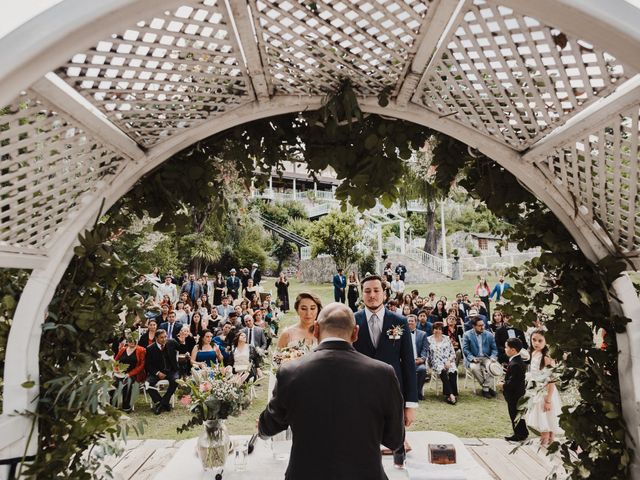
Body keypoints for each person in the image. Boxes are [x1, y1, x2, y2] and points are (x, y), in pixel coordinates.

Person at [258, 302, 405, 480]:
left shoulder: (290, 372)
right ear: (355, 332)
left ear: (316, 330)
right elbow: (395, 440)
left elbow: (268, 426)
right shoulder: (383, 373)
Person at [353, 275, 417, 468]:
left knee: (397, 441)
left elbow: (408, 364)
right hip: (360, 392)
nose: (372, 295)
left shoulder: (399, 321)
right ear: (361, 294)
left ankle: (399, 467)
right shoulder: (352, 320)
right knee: (363, 442)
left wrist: (411, 403)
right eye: (367, 291)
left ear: (384, 293)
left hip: (393, 392)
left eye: (376, 290)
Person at [525, 330, 562, 446]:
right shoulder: (534, 353)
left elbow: (552, 380)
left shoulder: (547, 358)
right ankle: (548, 444)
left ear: (546, 342)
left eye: (540, 340)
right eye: (534, 340)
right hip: (536, 390)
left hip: (546, 392)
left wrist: (548, 400)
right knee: (544, 421)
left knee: (546, 422)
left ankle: (546, 445)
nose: (536, 343)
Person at [499, 338, 528, 441]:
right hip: (517, 393)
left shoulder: (515, 364)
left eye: (507, 347)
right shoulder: (516, 361)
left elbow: (513, 382)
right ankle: (523, 432)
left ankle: (518, 434)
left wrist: (503, 385)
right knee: (518, 413)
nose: (505, 349)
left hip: (514, 394)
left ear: (513, 350)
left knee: (514, 414)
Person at [462, 316, 498, 399]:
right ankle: (487, 388)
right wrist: (472, 358)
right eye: (480, 325)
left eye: (483, 325)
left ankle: (485, 388)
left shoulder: (489, 334)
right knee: (474, 368)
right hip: (474, 358)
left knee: (493, 367)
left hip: (487, 357)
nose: (482, 327)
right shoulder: (467, 335)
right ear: (474, 326)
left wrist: (492, 357)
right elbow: (465, 350)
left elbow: (494, 349)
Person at [144, 329, 179, 414]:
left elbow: (182, 347)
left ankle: (163, 403)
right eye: (161, 337)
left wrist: (184, 339)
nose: (164, 339)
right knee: (147, 384)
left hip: (171, 371)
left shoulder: (171, 343)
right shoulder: (150, 348)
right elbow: (148, 365)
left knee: (176, 381)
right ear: (156, 338)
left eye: (165, 337)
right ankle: (160, 402)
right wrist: (157, 373)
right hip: (157, 372)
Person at [114, 332, 146, 412]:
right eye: (130, 340)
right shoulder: (122, 349)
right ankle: (113, 404)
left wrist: (129, 374)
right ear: (127, 341)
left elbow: (141, 365)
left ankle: (126, 406)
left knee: (127, 383)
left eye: (133, 340)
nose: (132, 342)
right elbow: (115, 361)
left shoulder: (141, 350)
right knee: (113, 383)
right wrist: (117, 370)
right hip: (120, 373)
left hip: (134, 374)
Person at [428, 322, 459, 405]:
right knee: (443, 371)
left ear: (442, 330)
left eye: (439, 329)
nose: (437, 331)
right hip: (436, 362)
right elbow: (428, 355)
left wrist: (449, 361)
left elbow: (453, 353)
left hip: (448, 360)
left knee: (453, 371)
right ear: (433, 330)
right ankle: (451, 395)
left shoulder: (447, 338)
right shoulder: (428, 339)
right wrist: (428, 364)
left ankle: (449, 394)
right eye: (435, 329)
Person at [406, 315, 429, 400]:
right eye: (408, 321)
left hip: (417, 360)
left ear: (416, 323)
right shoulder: (401, 333)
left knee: (422, 369)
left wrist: (422, 359)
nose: (410, 323)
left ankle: (417, 392)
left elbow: (425, 349)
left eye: (412, 321)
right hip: (405, 361)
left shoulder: (422, 334)